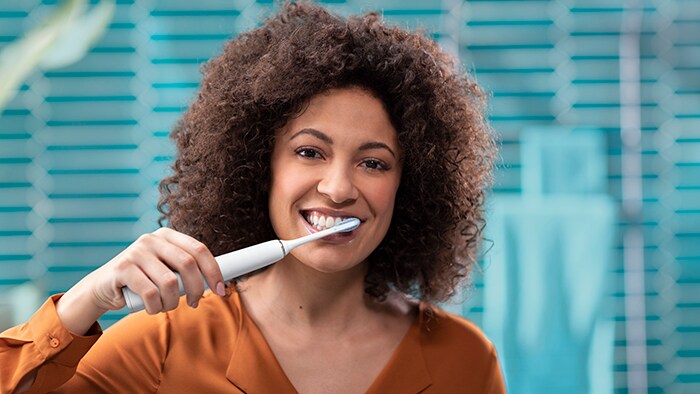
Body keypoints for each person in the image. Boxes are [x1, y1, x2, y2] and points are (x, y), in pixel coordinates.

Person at [1, 1, 504, 392]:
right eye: (310, 152)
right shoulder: (162, 343)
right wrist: (88, 298)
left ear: (408, 186)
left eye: (373, 163)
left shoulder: (463, 359)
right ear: (257, 165)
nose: (338, 188)